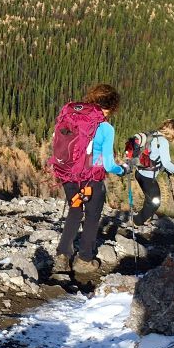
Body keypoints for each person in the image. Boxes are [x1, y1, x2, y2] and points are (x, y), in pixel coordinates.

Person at [52, 83, 126, 282]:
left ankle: (62, 256)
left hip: (68, 176)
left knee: (75, 211)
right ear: (111, 107)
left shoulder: (71, 116)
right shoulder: (105, 127)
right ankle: (84, 259)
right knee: (92, 215)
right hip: (91, 180)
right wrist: (123, 169)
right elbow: (109, 165)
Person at [133, 119, 174, 226]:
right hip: (147, 178)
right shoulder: (163, 142)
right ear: (172, 132)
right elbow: (167, 163)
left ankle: (142, 217)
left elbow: (153, 157)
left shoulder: (153, 134)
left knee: (150, 198)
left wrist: (165, 169)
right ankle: (137, 221)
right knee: (155, 202)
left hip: (139, 173)